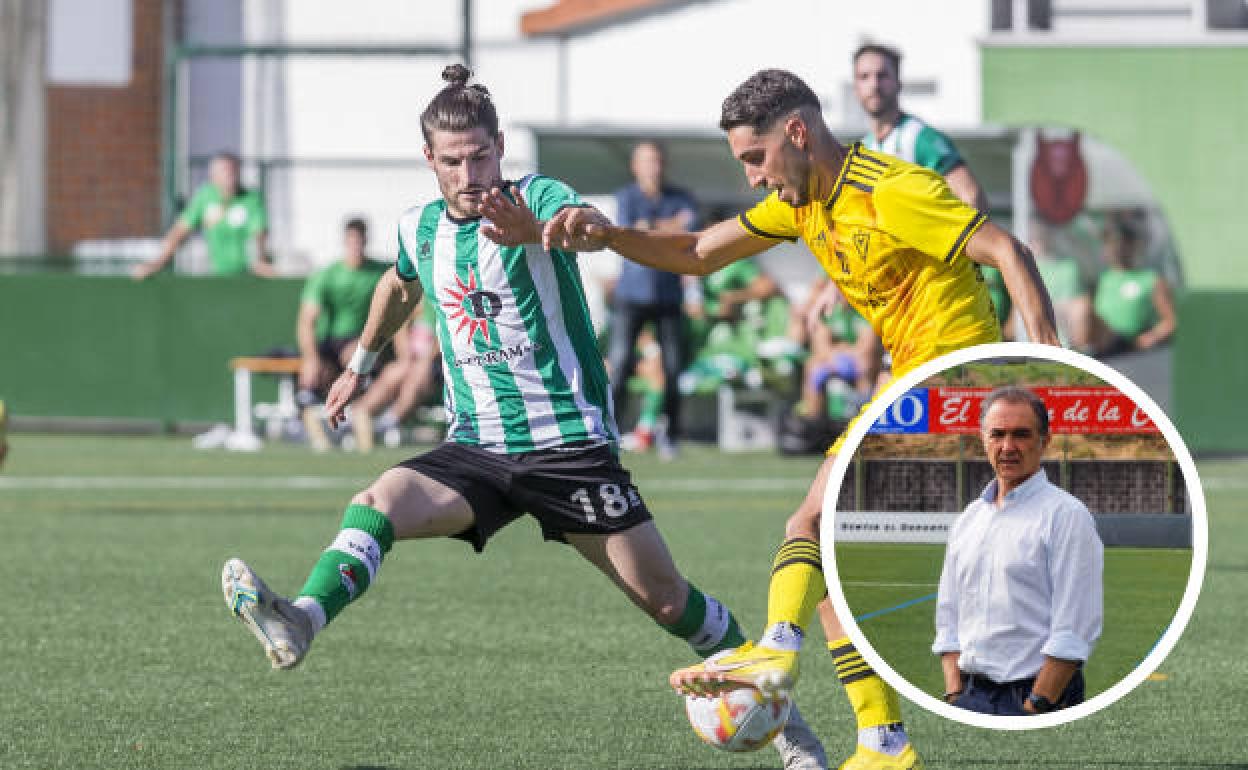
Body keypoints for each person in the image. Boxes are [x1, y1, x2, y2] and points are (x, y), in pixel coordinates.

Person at [220, 65, 826, 769]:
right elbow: (398, 283)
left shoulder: (535, 198)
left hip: (569, 448)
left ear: (500, 145)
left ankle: (789, 730)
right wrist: (361, 360)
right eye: (453, 161)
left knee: (668, 602)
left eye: (481, 155)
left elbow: (583, 227)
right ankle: (301, 616)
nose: (470, 173)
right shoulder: (421, 228)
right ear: (430, 161)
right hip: (477, 449)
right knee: (376, 502)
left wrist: (540, 230)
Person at [503, 68, 1060, 770]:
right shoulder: (806, 207)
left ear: (797, 133)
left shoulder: (890, 190)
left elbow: (1009, 250)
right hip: (910, 392)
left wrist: (1055, 367)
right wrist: (607, 236)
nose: (754, 178)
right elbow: (698, 252)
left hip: (956, 391)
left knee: (810, 526)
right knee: (832, 578)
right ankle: (883, 744)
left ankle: (774, 655)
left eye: (755, 158)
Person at [934, 387, 1103, 715]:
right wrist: (955, 691)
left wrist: (1037, 703)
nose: (1008, 447)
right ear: (983, 440)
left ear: (1045, 441)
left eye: (1021, 435)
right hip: (971, 694)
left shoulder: (1066, 515)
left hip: (1037, 696)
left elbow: (1075, 627)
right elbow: (948, 613)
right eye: (997, 434)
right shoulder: (970, 519)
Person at [607, 141, 699, 459]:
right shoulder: (625, 197)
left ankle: (670, 436)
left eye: (657, 160)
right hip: (630, 295)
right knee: (618, 366)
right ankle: (611, 433)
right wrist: (668, 227)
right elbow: (628, 233)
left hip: (668, 294)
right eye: (646, 161)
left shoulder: (682, 196)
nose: (653, 167)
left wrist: (651, 228)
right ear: (635, 166)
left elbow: (689, 232)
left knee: (674, 369)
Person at [295, 218, 392, 450]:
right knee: (311, 374)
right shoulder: (327, 275)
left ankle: (360, 418)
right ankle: (313, 428)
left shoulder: (380, 272)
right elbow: (306, 321)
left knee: (357, 357)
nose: (355, 246)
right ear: (344, 241)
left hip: (366, 341)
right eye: (351, 241)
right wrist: (311, 359)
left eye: (360, 241)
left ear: (366, 241)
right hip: (330, 342)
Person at [132, 151, 274, 279]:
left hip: (249, 276)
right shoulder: (205, 197)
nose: (230, 176)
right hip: (217, 275)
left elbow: (259, 233)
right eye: (224, 171)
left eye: (233, 171)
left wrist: (260, 260)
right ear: (213, 175)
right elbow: (180, 231)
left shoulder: (251, 199)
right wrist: (158, 262)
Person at [1071, 212, 1176, 357]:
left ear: (1132, 245)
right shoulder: (1103, 279)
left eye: (1120, 243)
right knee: (1079, 306)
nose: (1115, 248)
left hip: (1128, 343)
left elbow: (1171, 321)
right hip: (1103, 344)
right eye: (1109, 243)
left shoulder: (1150, 279)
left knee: (1082, 307)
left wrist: (1151, 337)